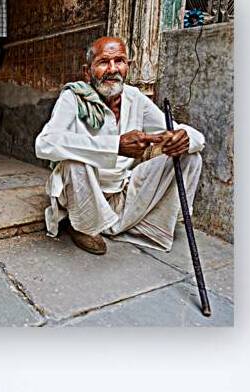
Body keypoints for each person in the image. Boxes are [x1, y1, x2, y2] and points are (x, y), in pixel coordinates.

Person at [35, 36, 205, 255]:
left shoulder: (135, 98)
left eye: (120, 61)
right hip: (85, 192)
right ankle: (84, 226)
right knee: (72, 162)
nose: (112, 69)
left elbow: (183, 133)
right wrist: (115, 145)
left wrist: (184, 136)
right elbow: (45, 143)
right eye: (104, 62)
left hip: (123, 192)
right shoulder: (73, 98)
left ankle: (126, 222)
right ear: (88, 72)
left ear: (128, 67)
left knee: (189, 154)